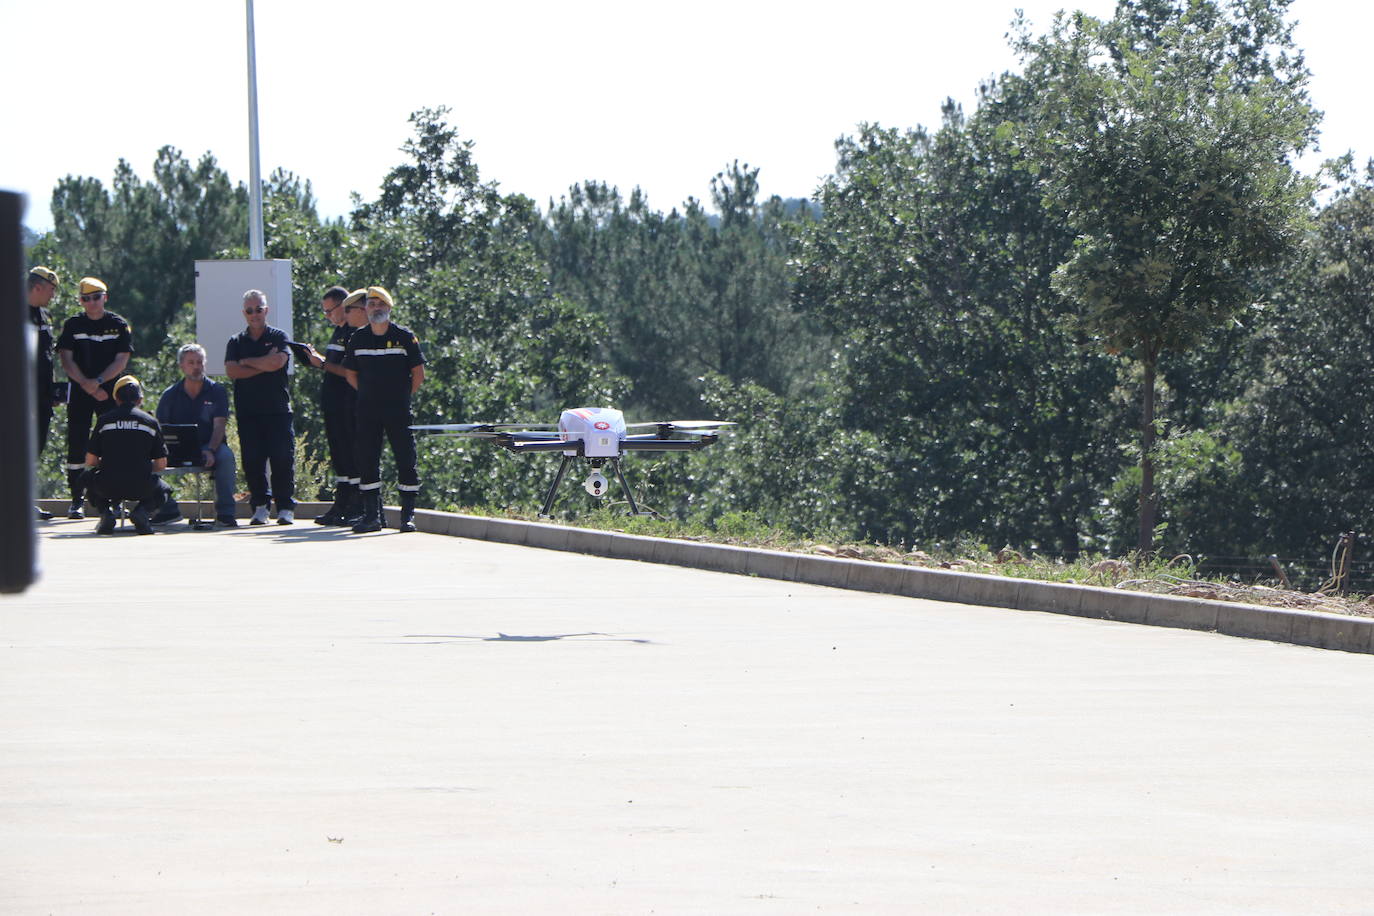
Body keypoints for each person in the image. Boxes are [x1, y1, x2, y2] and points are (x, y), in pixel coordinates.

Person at [343, 285, 425, 533]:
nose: (375, 308)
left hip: (398, 410)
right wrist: (369, 395)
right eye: (371, 304)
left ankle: (407, 515)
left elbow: (418, 374)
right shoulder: (358, 338)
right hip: (368, 410)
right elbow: (350, 374)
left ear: (389, 307)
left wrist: (399, 397)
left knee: (405, 459)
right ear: (365, 309)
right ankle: (372, 516)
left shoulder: (404, 336)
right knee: (367, 459)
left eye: (380, 304)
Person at [56, 277, 132, 518]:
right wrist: (86, 385)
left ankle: (116, 497)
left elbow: (121, 360)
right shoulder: (73, 325)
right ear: (80, 301)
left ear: (105, 298)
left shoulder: (118, 324)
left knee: (113, 443)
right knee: (77, 442)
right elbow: (66, 359)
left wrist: (98, 383)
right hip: (80, 392)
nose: (91, 303)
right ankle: (77, 499)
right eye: (86, 299)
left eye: (96, 297)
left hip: (108, 392)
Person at [224, 289, 295, 525]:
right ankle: (261, 507)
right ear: (244, 313)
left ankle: (285, 507)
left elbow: (277, 362)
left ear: (266, 310)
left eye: (258, 309)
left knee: (282, 459)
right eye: (249, 310)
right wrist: (262, 363)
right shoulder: (235, 341)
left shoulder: (278, 336)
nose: (254, 314)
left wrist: (247, 363)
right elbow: (232, 370)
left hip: (277, 410)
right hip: (248, 412)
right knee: (253, 461)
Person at [153, 343, 239, 528]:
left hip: (209, 446)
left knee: (226, 457)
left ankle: (225, 513)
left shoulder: (217, 391)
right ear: (181, 366)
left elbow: (219, 425)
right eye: (191, 362)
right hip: (177, 448)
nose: (196, 366)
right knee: (146, 457)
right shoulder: (170, 395)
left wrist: (210, 449)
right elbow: (160, 429)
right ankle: (167, 508)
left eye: (200, 362)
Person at [304, 286, 366, 526]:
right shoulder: (338, 332)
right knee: (339, 454)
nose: (328, 316)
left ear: (343, 306)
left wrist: (320, 364)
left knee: (353, 455)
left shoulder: (355, 333)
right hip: (333, 403)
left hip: (349, 402)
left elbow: (349, 370)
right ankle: (341, 503)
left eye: (330, 311)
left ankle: (357, 505)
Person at [80, 376, 171, 536]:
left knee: (86, 478)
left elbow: (90, 460)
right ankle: (142, 513)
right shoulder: (150, 422)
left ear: (116, 398)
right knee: (164, 489)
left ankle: (106, 514)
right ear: (140, 399)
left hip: (107, 485)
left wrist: (109, 465)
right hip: (141, 486)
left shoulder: (104, 420)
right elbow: (161, 464)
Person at [28, 266, 59, 519]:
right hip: (21, 399)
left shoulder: (44, 316)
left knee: (35, 450)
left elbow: (46, 357)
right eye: (50, 289)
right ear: (37, 287)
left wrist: (53, 390)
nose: (52, 295)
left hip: (42, 398)